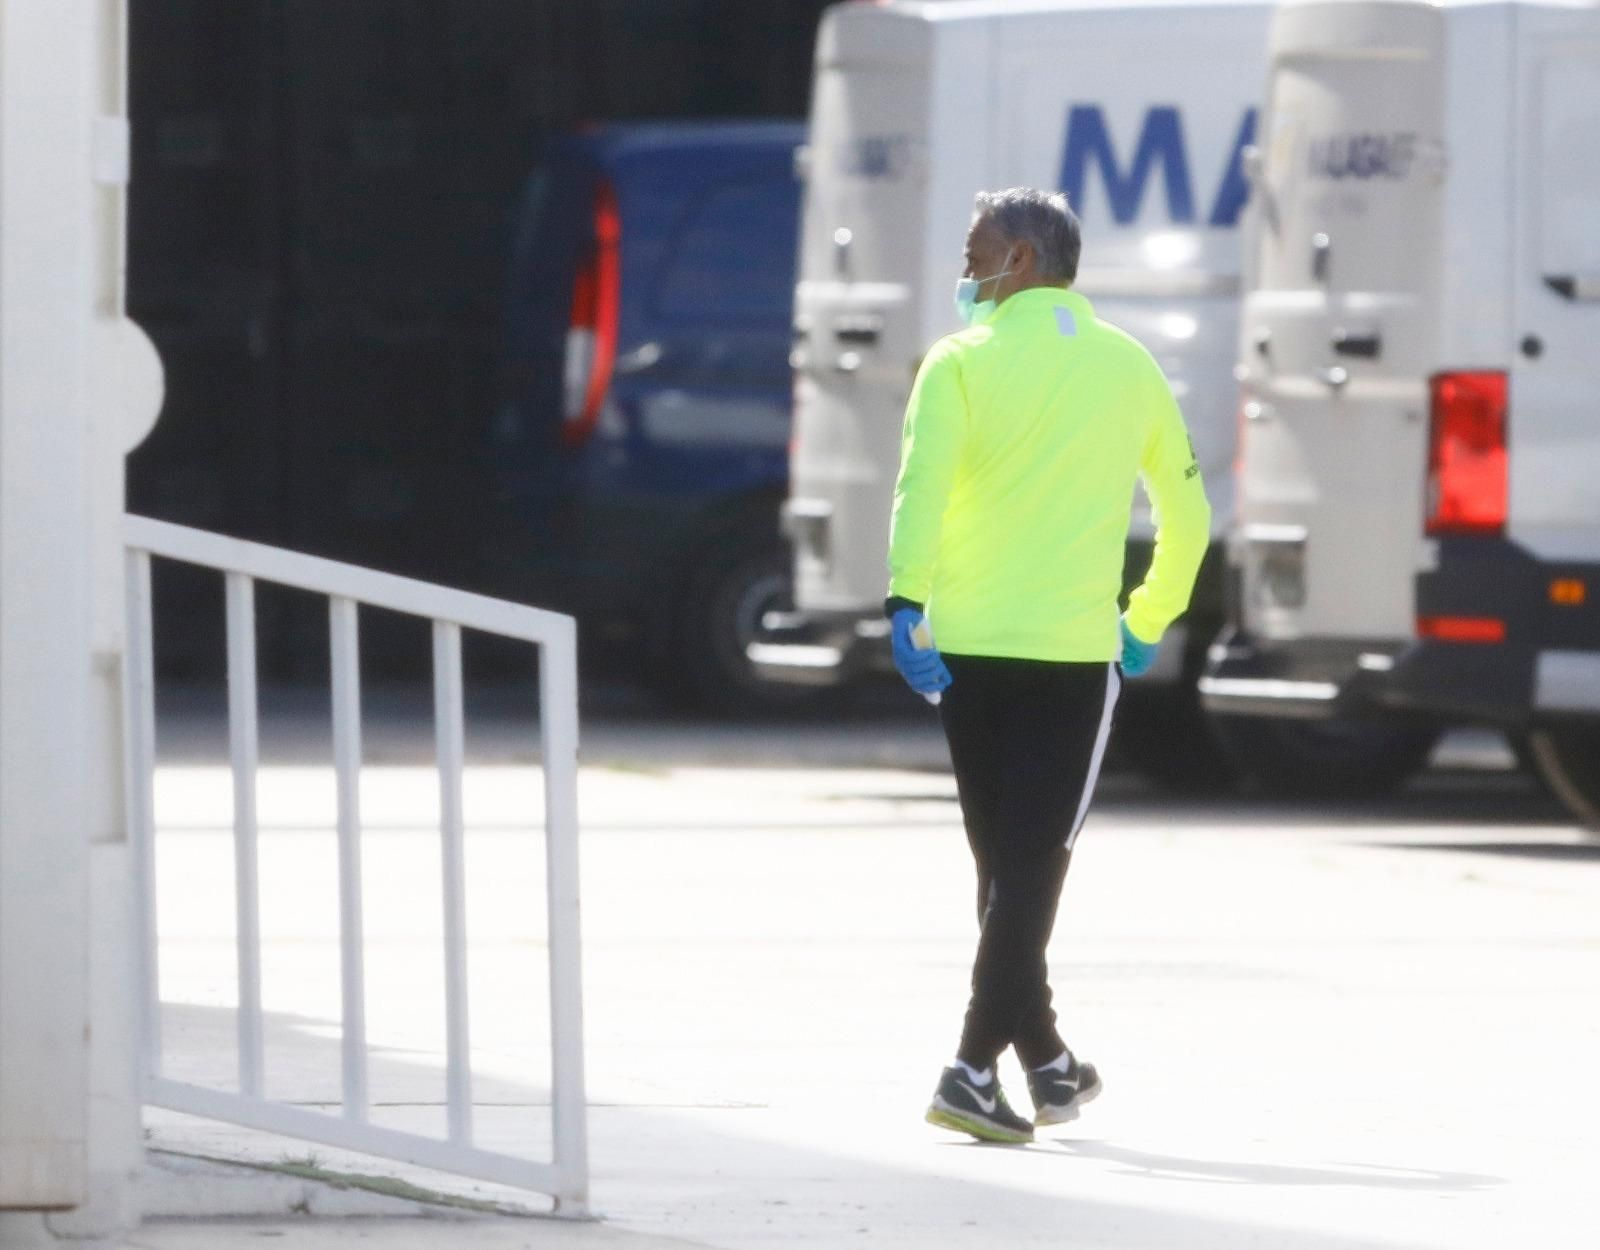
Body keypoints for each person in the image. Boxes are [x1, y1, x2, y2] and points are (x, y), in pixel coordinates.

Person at [885, 187, 1210, 1143]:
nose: (965, 271)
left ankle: (1049, 1064)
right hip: (1073, 653)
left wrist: (907, 602)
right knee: (1034, 867)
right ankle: (969, 1070)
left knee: (1002, 865)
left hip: (967, 651)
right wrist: (1146, 622)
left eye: (974, 250)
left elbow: (920, 489)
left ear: (1021, 259)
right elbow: (1188, 520)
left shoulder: (956, 364)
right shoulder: (1129, 366)